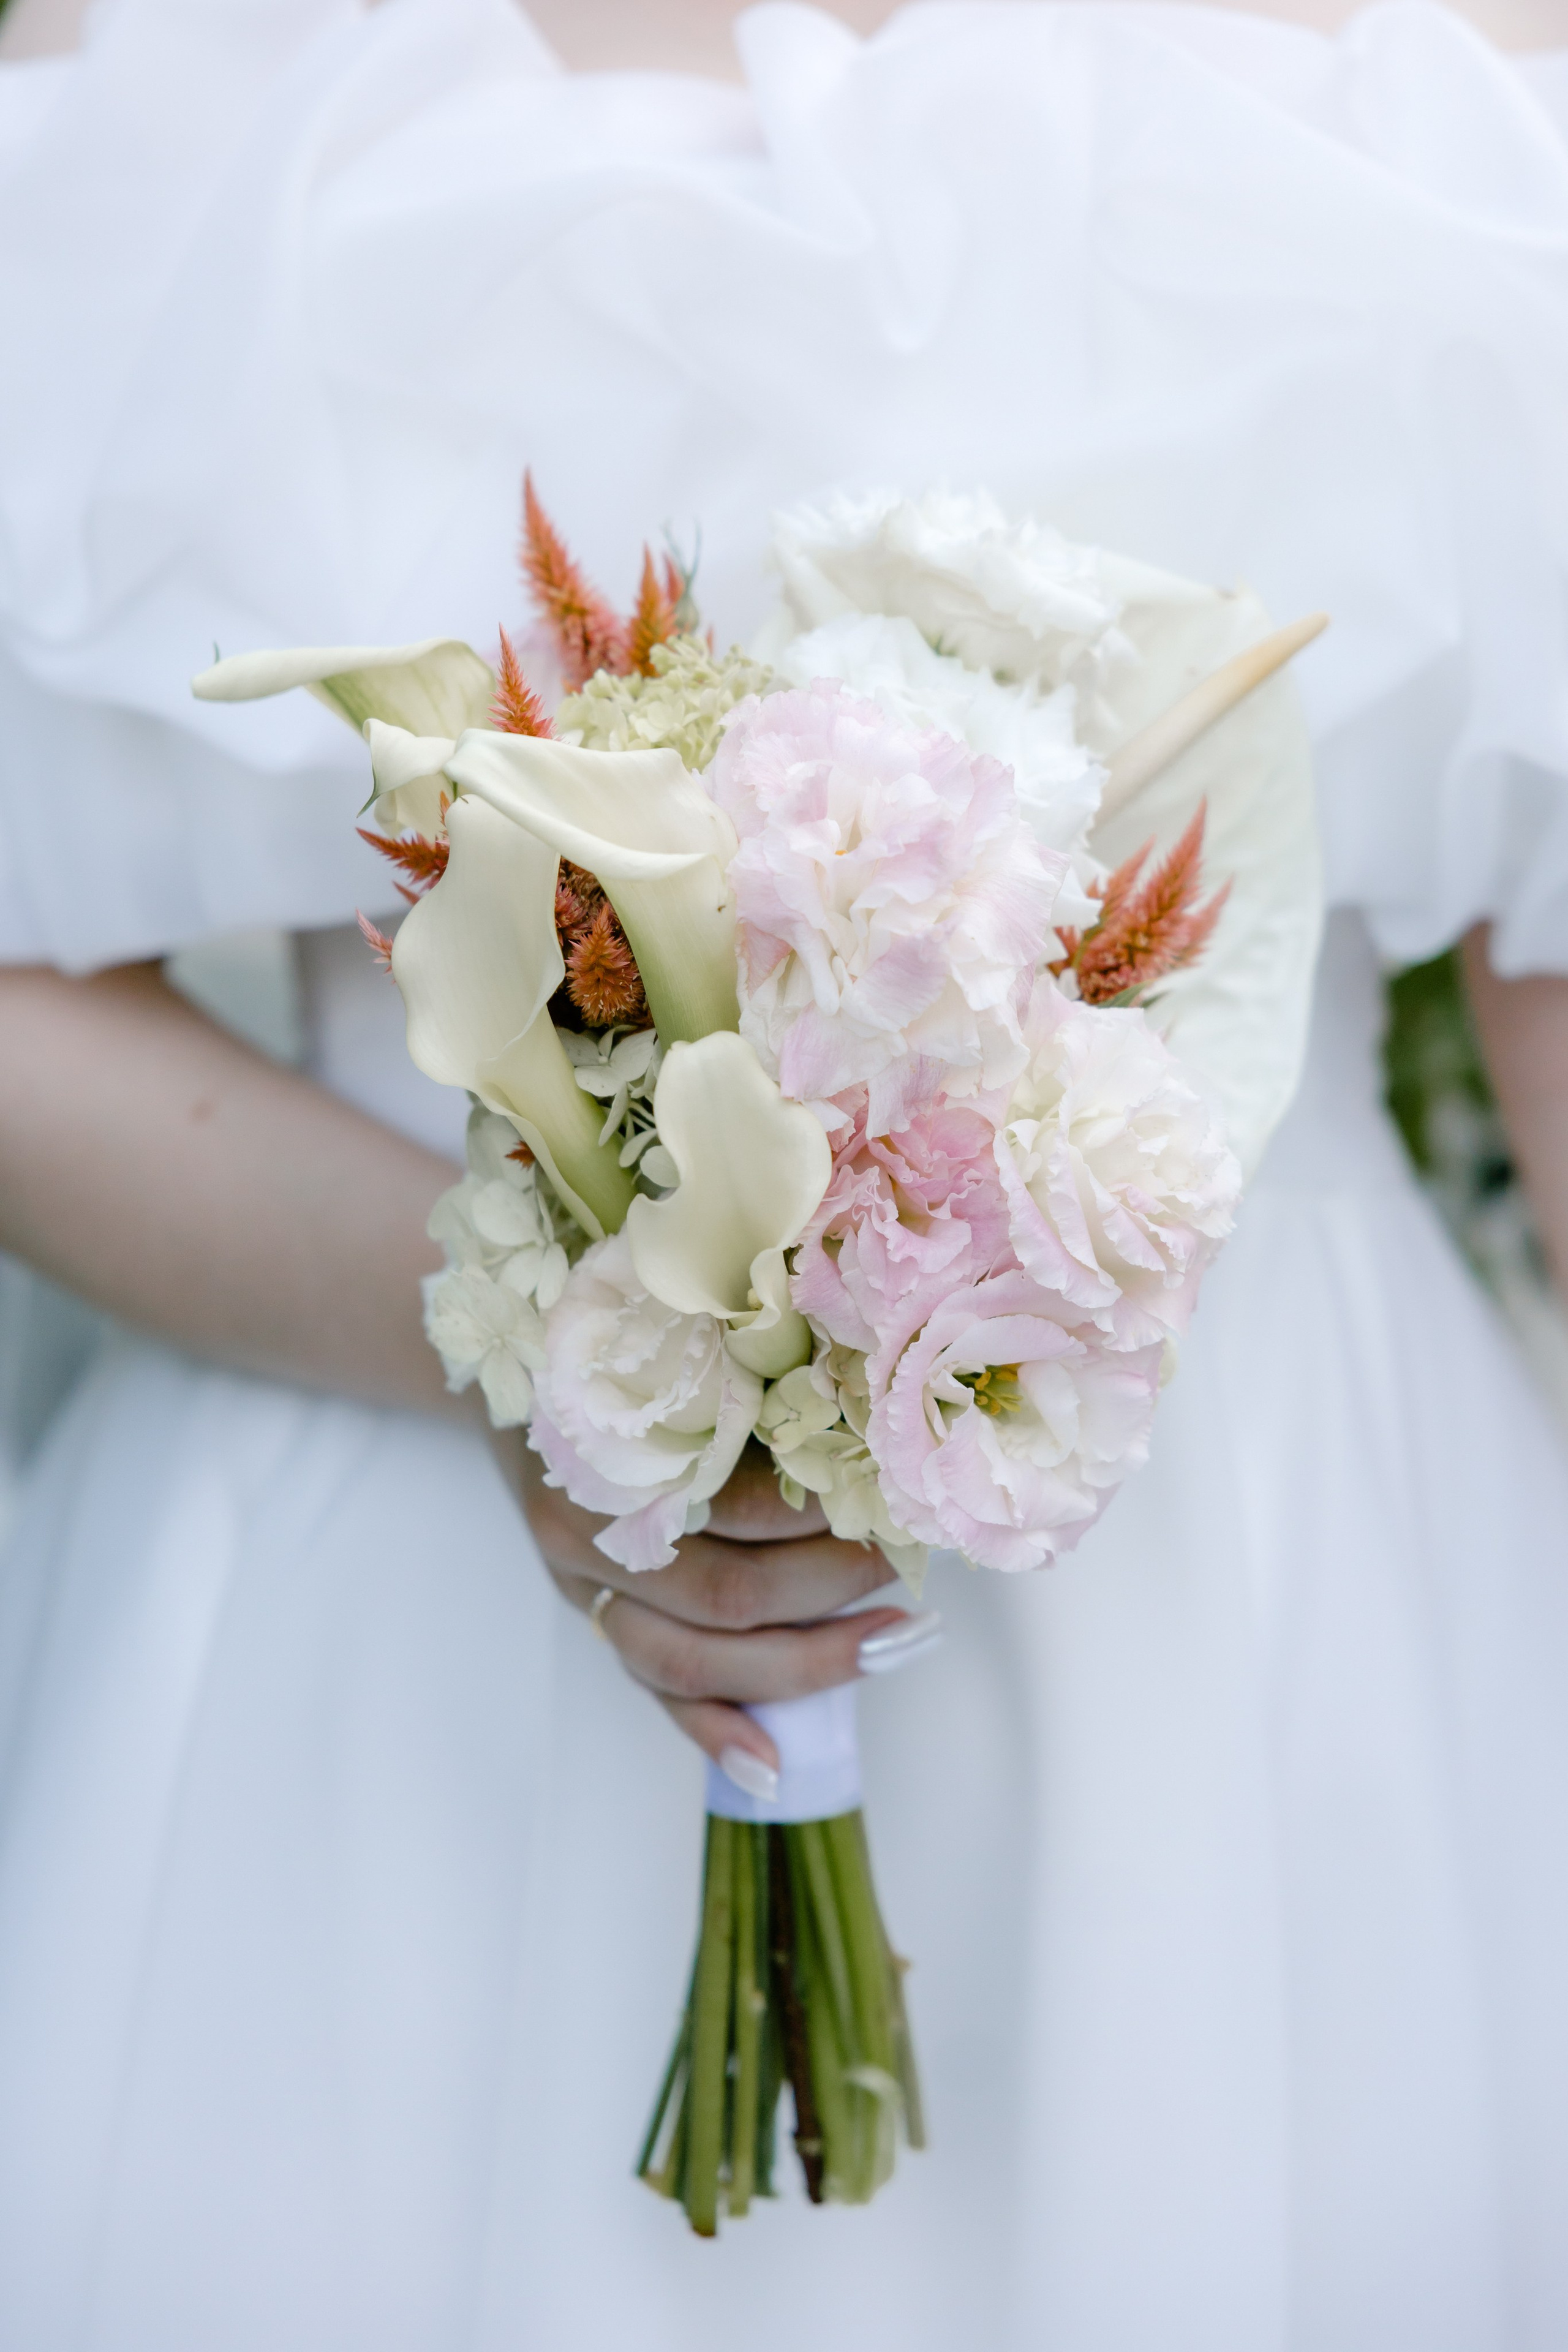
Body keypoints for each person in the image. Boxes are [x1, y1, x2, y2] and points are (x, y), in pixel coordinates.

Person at [1, 0, 1566, 2345]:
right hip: (388, 1595)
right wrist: (570, 1355)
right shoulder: (155, 79)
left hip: (1266, 1639)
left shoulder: (1463, 59)